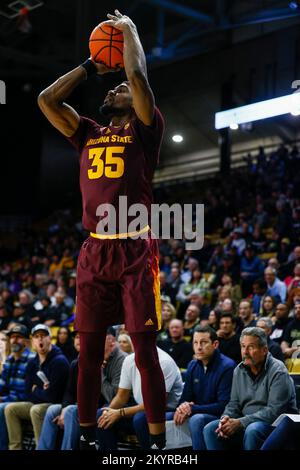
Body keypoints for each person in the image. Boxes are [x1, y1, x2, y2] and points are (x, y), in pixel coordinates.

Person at [37, 9, 166, 450]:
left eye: (124, 88)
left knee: (144, 352)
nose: (119, 87)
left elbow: (137, 75)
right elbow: (46, 101)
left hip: (134, 249)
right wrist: (91, 65)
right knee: (88, 353)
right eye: (113, 86)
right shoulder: (88, 132)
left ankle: (155, 443)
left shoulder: (147, 131)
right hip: (94, 251)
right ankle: (89, 438)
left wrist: (129, 32)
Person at [203, 327, 298, 450]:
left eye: (251, 347)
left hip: (276, 427)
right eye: (243, 346)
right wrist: (225, 419)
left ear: (264, 350)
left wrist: (241, 422)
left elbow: (275, 412)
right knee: (211, 429)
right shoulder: (238, 370)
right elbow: (234, 404)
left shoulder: (278, 370)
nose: (245, 352)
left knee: (253, 430)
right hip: (245, 424)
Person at [96, 347, 183, 450]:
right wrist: (109, 412)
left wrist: (120, 412)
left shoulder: (164, 362)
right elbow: (121, 397)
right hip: (141, 409)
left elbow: (155, 404)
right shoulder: (129, 360)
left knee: (140, 418)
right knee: (102, 414)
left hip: (166, 411)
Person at [166, 326, 235, 450]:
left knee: (196, 420)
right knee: (164, 418)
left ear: (215, 344)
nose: (198, 347)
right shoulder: (192, 365)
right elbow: (185, 398)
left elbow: (223, 405)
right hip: (196, 411)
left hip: (219, 416)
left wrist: (192, 408)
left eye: (203, 342)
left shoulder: (227, 367)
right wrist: (183, 407)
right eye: (195, 342)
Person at [4, 324, 69, 450]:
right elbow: (28, 392)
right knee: (10, 409)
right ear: (32, 341)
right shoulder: (32, 363)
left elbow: (54, 396)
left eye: (43, 336)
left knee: (36, 410)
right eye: (37, 336)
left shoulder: (59, 361)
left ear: (50, 339)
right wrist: (41, 391)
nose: (40, 339)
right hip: (40, 402)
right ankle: (15, 448)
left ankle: (42, 447)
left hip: (58, 405)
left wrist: (36, 390)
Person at [0, 325, 35, 450]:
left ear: (26, 341)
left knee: (2, 408)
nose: (14, 340)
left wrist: (4, 399)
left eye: (18, 337)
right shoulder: (9, 360)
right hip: (10, 399)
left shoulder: (32, 360)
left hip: (25, 401)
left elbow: (27, 392)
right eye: (12, 337)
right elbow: (2, 385)